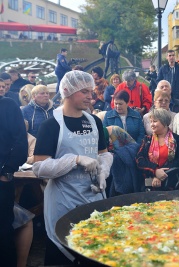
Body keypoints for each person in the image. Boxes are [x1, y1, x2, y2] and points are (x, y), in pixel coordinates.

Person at [32, 70, 113, 265]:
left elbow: (103, 153)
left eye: (91, 91)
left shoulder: (94, 121)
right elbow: (39, 167)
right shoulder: (51, 125)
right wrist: (74, 160)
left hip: (93, 198)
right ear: (68, 91)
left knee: (93, 252)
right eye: (84, 91)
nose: (90, 96)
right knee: (63, 253)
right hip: (63, 201)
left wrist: (104, 169)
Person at [0, 88, 28, 267]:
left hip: (1, 181)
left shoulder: (8, 105)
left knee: (3, 232)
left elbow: (20, 141)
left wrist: (7, 172)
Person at [136, 108, 179, 191]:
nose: (152, 124)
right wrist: (155, 171)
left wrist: (161, 176)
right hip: (150, 185)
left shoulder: (177, 140)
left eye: (155, 121)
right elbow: (139, 160)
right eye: (151, 121)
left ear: (164, 122)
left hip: (171, 184)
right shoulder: (147, 140)